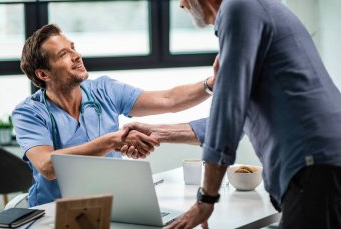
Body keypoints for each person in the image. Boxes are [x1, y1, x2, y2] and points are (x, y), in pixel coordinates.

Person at [126, 0, 341, 228]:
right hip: (317, 165)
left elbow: (227, 115)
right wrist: (157, 133)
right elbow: (232, 120)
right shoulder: (250, 7)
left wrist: (205, 200)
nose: (181, 4)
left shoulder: (239, 8)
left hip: (315, 164)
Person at [12, 24, 216, 207]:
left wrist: (211, 84)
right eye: (63, 54)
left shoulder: (104, 90)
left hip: (111, 206)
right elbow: (48, 165)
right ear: (43, 74)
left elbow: (168, 99)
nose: (77, 55)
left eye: (73, 47)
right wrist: (112, 141)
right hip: (53, 211)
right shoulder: (28, 112)